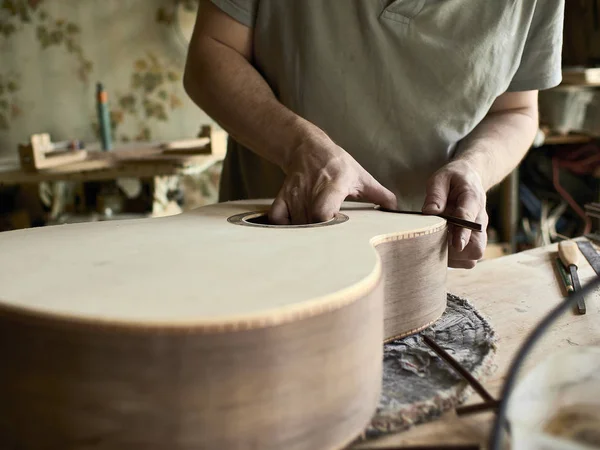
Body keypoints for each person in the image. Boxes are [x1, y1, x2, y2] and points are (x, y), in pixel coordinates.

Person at [183, 0, 564, 269]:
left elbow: (516, 110)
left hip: (416, 262)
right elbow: (210, 55)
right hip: (264, 242)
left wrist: (474, 169)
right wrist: (299, 146)